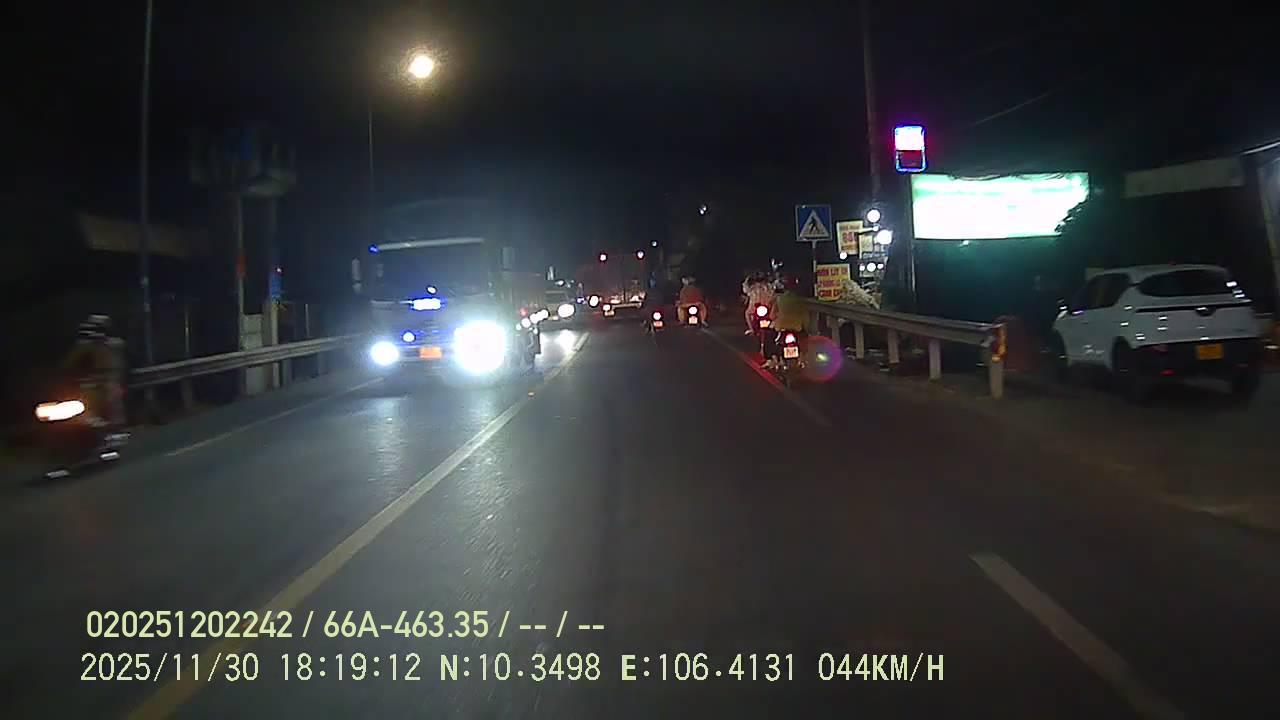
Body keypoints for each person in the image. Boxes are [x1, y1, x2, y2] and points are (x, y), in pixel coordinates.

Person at [61, 315, 127, 429]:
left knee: (113, 406)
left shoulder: (114, 344)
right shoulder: (86, 345)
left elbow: (120, 362)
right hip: (94, 380)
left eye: (100, 329)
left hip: (110, 379)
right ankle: (95, 425)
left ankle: (114, 429)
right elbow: (70, 363)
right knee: (88, 405)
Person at [765, 276, 812, 368]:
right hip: (797, 328)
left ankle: (773, 359)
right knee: (804, 340)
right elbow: (805, 317)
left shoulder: (779, 299)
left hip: (781, 327)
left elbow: (772, 315)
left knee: (769, 338)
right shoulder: (800, 300)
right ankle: (802, 358)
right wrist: (806, 328)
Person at [742, 271, 775, 335]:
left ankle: (751, 329)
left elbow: (745, 289)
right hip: (760, 308)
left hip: (763, 308)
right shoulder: (768, 287)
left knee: (747, 313)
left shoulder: (753, 288)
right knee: (747, 313)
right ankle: (752, 329)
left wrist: (747, 280)